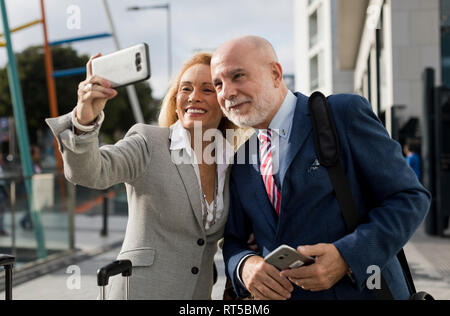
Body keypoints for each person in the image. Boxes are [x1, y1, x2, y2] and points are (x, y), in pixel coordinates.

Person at [211, 35, 431, 300]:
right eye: (218, 84)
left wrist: (346, 256)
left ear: (275, 74)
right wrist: (244, 266)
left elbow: (410, 198)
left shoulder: (342, 114)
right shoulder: (243, 158)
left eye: (238, 76)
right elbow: (234, 240)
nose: (227, 92)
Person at [46, 52, 248, 299]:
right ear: (176, 101)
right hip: (138, 291)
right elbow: (89, 173)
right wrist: (83, 119)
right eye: (186, 89)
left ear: (224, 104)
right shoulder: (148, 142)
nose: (194, 97)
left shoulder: (232, 162)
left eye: (207, 90)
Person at [20, 145, 42, 230]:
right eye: (37, 153)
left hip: (37, 189)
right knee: (32, 208)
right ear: (32, 154)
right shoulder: (28, 164)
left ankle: (28, 222)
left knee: (34, 207)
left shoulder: (36, 164)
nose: (38, 155)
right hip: (31, 189)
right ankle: (26, 221)